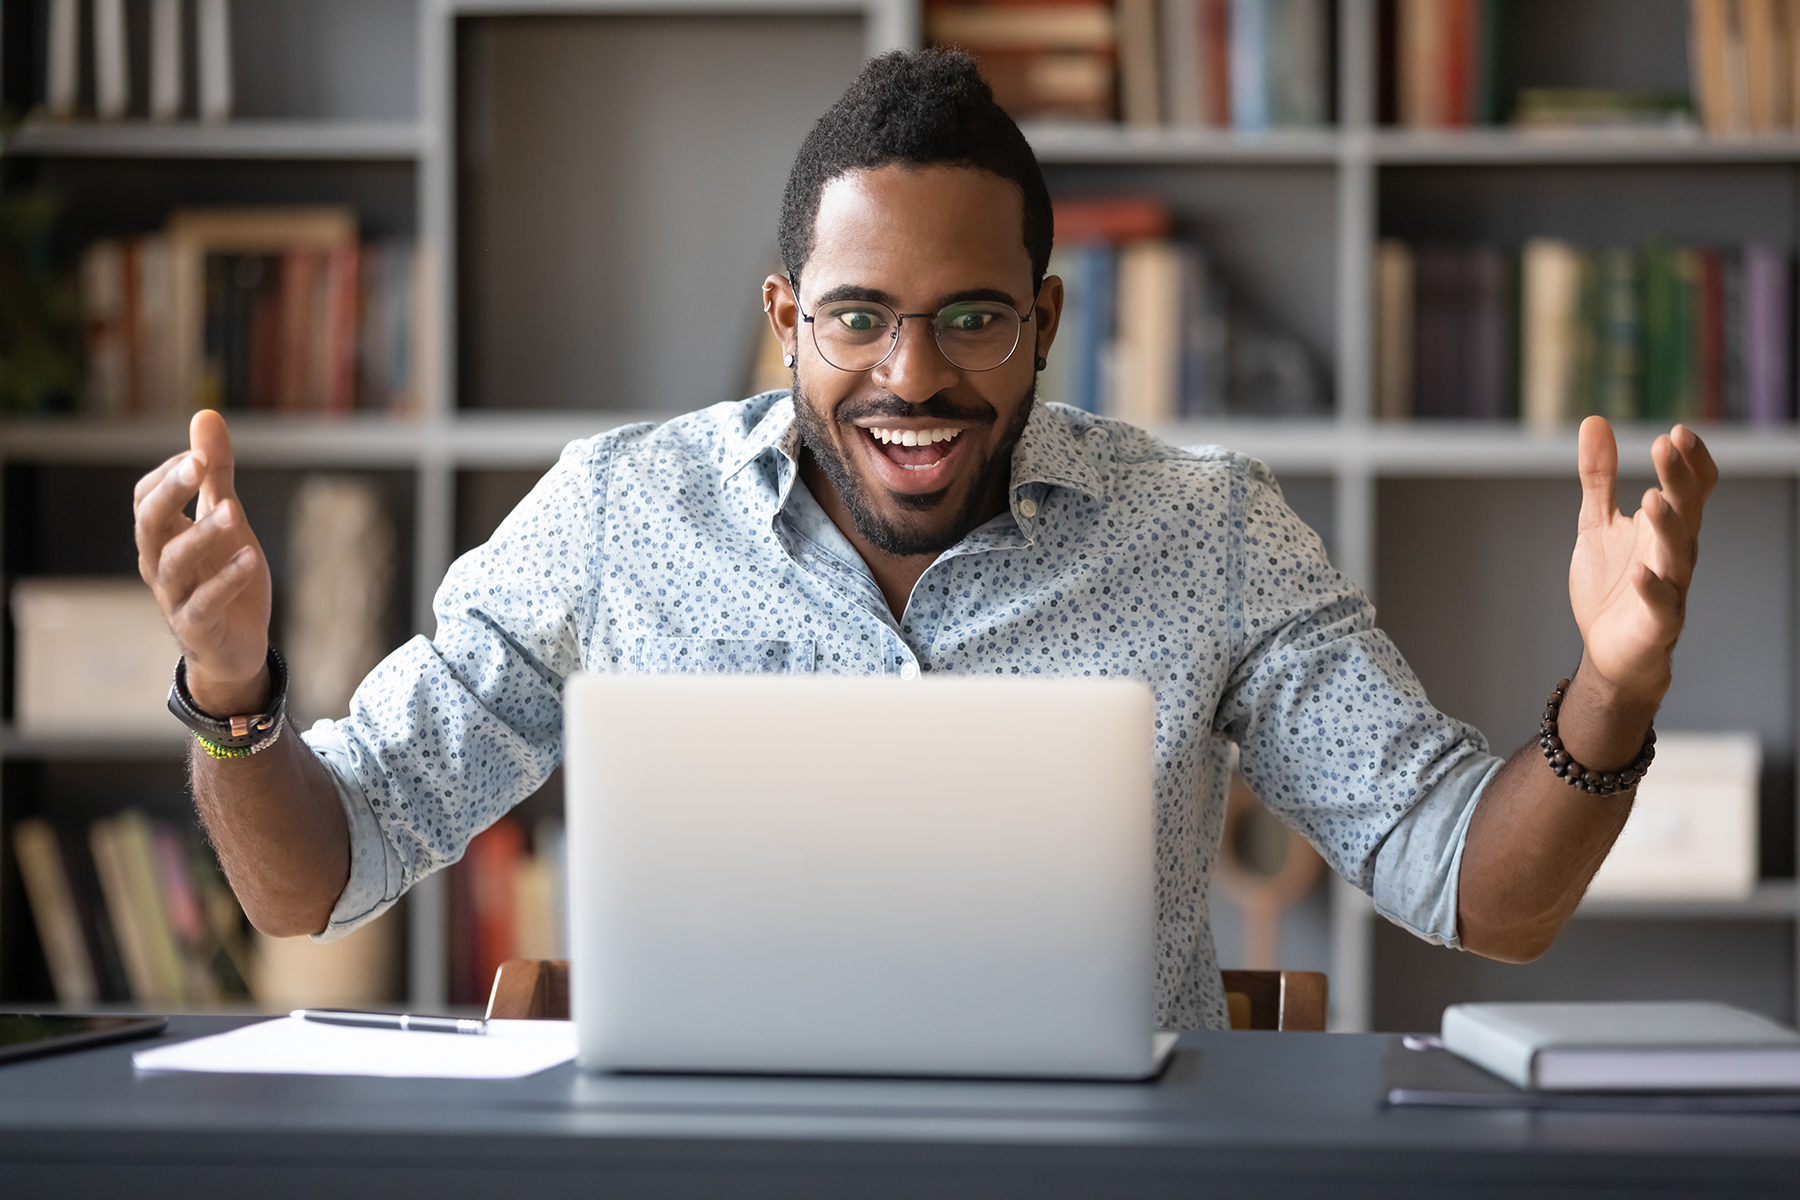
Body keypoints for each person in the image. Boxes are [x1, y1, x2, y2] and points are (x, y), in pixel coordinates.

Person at [133, 50, 1716, 1031]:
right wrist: (232, 684)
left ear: (1043, 319)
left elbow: (1482, 897)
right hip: (703, 1177)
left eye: (970, 319)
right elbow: (314, 878)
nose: (911, 376)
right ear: (784, 321)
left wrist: (1611, 695)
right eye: (858, 319)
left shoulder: (1206, 529)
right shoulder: (617, 514)